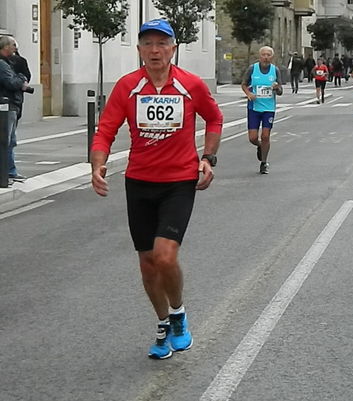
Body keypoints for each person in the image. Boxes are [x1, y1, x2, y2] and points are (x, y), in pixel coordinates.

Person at [90, 19, 224, 360]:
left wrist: (208, 157)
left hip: (179, 182)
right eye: (147, 44)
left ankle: (178, 314)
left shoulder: (190, 85)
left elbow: (214, 118)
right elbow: (106, 129)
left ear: (173, 49)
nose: (154, 50)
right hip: (139, 182)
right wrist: (97, 164)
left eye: (161, 44)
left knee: (165, 256)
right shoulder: (128, 86)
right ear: (138, 50)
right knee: (148, 263)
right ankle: (163, 323)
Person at [241, 45, 283, 174]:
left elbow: (280, 91)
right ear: (259, 56)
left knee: (265, 136)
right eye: (263, 55)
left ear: (272, 57)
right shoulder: (252, 69)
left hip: (269, 108)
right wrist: (249, 94)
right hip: (254, 107)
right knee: (253, 138)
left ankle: (264, 163)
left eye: (268, 55)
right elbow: (243, 84)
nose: (265, 57)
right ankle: (260, 146)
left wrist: (276, 88)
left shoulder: (275, 70)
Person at [0, 35, 30, 184]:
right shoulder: (2, 64)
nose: (15, 48)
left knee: (10, 140)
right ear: (5, 47)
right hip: (7, 105)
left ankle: (10, 172)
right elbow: (11, 82)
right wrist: (22, 77)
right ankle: (6, 173)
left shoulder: (10, 62)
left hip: (11, 105)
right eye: (13, 45)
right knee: (6, 140)